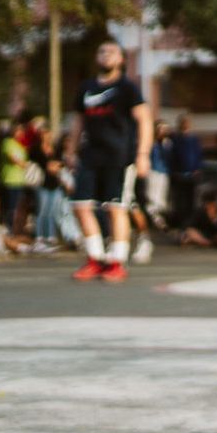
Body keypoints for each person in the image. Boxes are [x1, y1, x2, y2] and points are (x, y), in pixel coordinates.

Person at [66, 39, 153, 282]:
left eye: (111, 52)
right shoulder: (86, 87)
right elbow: (78, 122)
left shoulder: (127, 87)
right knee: (80, 206)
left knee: (116, 208)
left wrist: (143, 154)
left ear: (121, 59)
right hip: (90, 156)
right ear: (97, 57)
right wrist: (71, 151)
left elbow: (144, 120)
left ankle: (116, 261)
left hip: (120, 157)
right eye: (102, 51)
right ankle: (95, 258)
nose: (106, 55)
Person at [170, 114, 204, 226]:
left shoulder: (194, 139)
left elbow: (198, 155)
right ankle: (181, 222)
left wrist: (197, 168)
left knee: (191, 200)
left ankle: (190, 223)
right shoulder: (176, 139)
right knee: (180, 201)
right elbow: (173, 156)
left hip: (192, 175)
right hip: (180, 175)